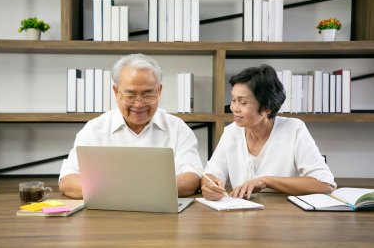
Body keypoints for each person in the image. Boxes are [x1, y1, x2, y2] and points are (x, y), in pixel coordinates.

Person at [59, 53, 203, 199]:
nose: (139, 104)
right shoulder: (94, 129)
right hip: (106, 215)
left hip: (163, 217)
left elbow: (192, 178)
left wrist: (129, 189)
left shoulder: (178, 128)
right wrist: (127, 190)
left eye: (147, 94)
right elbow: (67, 181)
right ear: (116, 92)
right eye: (130, 95)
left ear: (159, 91)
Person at [201, 64, 336, 201]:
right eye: (233, 100)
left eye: (242, 102)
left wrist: (266, 181)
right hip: (240, 214)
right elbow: (211, 173)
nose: (234, 108)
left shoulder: (294, 129)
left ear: (267, 108)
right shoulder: (231, 132)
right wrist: (209, 184)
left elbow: (326, 184)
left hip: (285, 215)